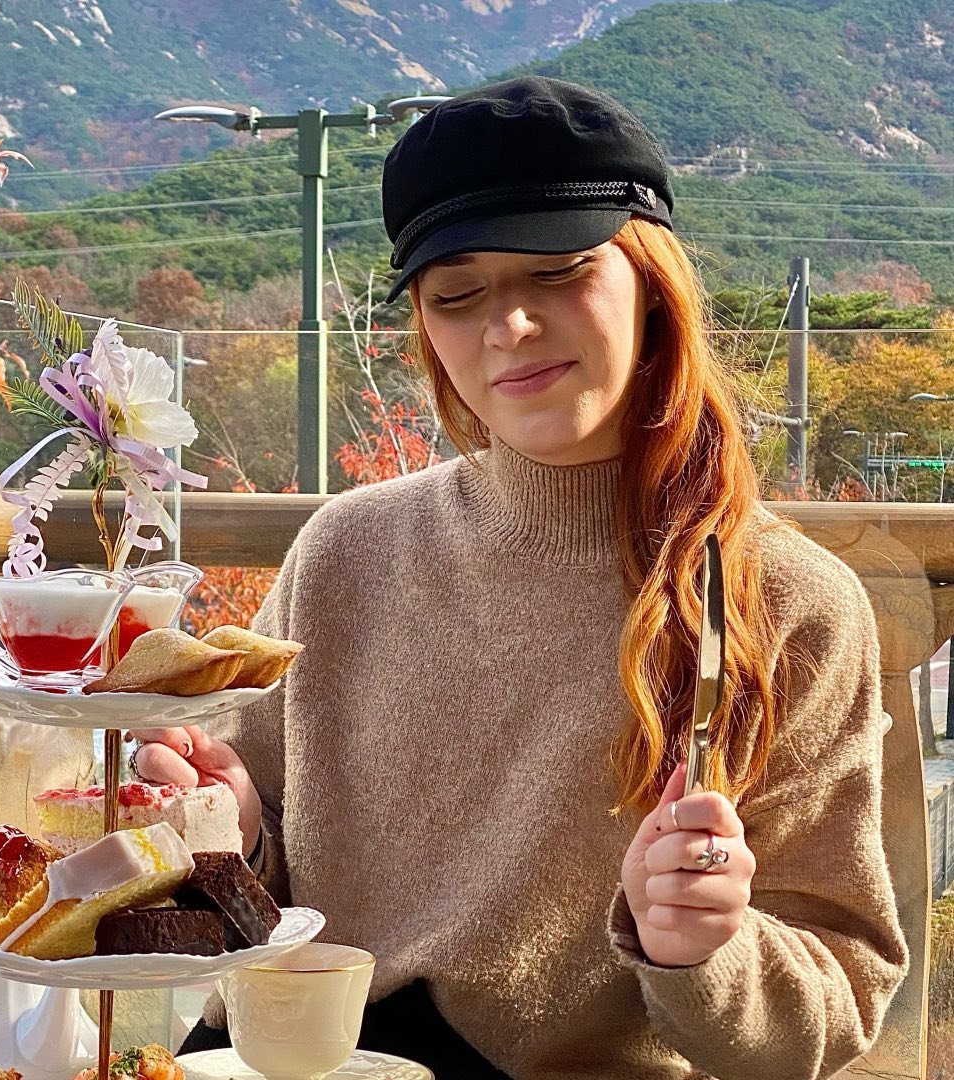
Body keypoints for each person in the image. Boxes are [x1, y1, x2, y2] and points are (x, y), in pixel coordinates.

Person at [132, 77, 908, 1079]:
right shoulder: (344, 555)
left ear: (651, 280)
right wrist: (229, 840)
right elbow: (251, 922)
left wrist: (705, 947)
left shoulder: (782, 602)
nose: (511, 326)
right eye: (459, 295)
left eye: (558, 271)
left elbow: (831, 1008)